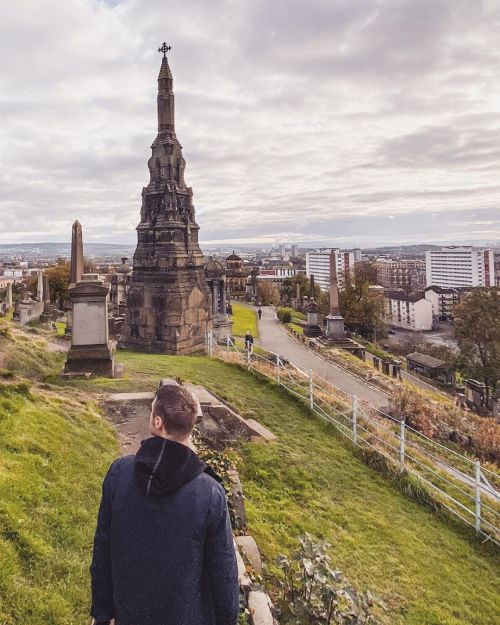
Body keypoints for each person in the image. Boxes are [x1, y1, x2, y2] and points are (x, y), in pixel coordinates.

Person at [90, 383, 239, 625]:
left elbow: (103, 547)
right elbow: (223, 571)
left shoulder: (119, 473)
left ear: (157, 422)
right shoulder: (210, 493)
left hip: (129, 612)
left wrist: (102, 612)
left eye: (151, 411)